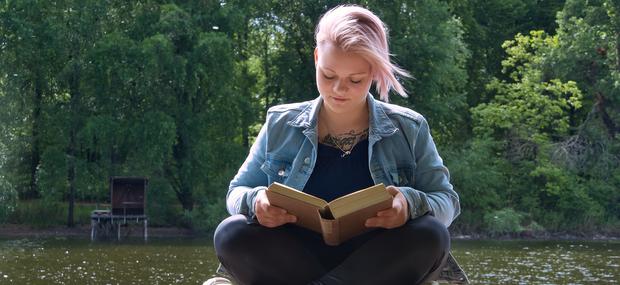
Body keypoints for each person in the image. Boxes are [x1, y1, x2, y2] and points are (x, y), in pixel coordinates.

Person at [211, 5, 460, 285]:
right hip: (293, 259)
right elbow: (236, 193)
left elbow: (447, 203)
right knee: (231, 233)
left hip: (376, 264)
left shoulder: (409, 127)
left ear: (375, 73)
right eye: (328, 75)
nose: (339, 89)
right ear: (317, 58)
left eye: (355, 80)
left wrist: (408, 203)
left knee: (431, 234)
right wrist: (257, 201)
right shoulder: (280, 122)